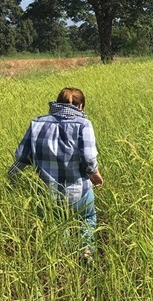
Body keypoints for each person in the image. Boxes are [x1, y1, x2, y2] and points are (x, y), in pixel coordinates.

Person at [8, 87, 104, 262]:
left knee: (59, 224)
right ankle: (86, 253)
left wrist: (11, 176)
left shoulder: (37, 123)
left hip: (47, 193)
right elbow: (89, 158)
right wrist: (94, 174)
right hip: (79, 190)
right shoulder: (83, 124)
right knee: (88, 218)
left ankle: (63, 259)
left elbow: (22, 156)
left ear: (57, 102)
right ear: (80, 106)